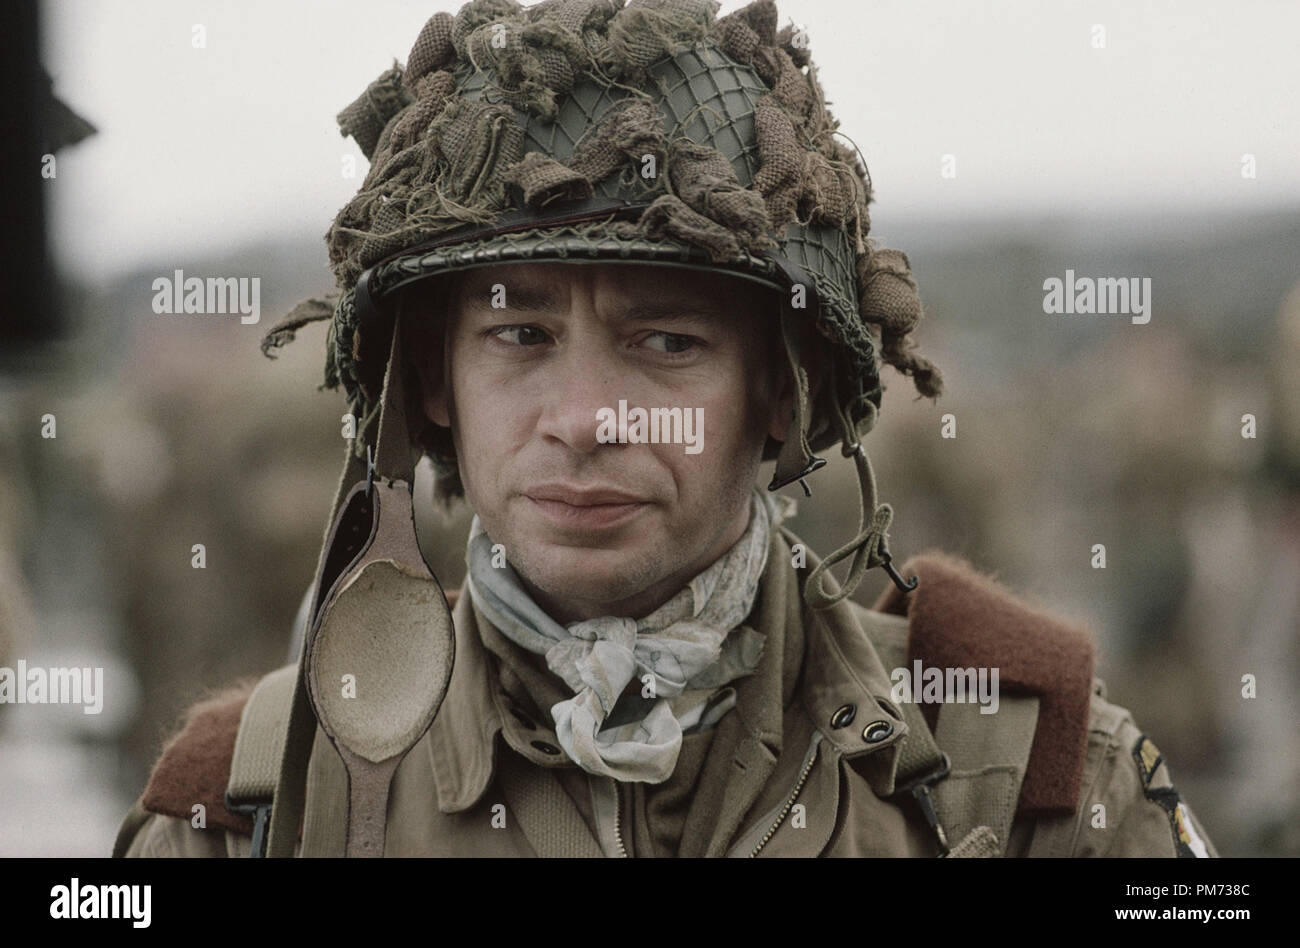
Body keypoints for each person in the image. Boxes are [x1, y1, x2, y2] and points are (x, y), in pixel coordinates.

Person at [113, 0, 1217, 858]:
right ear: (435, 383)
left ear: (777, 395)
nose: (586, 421)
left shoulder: (1024, 775)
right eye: (519, 337)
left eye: (668, 344)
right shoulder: (253, 805)